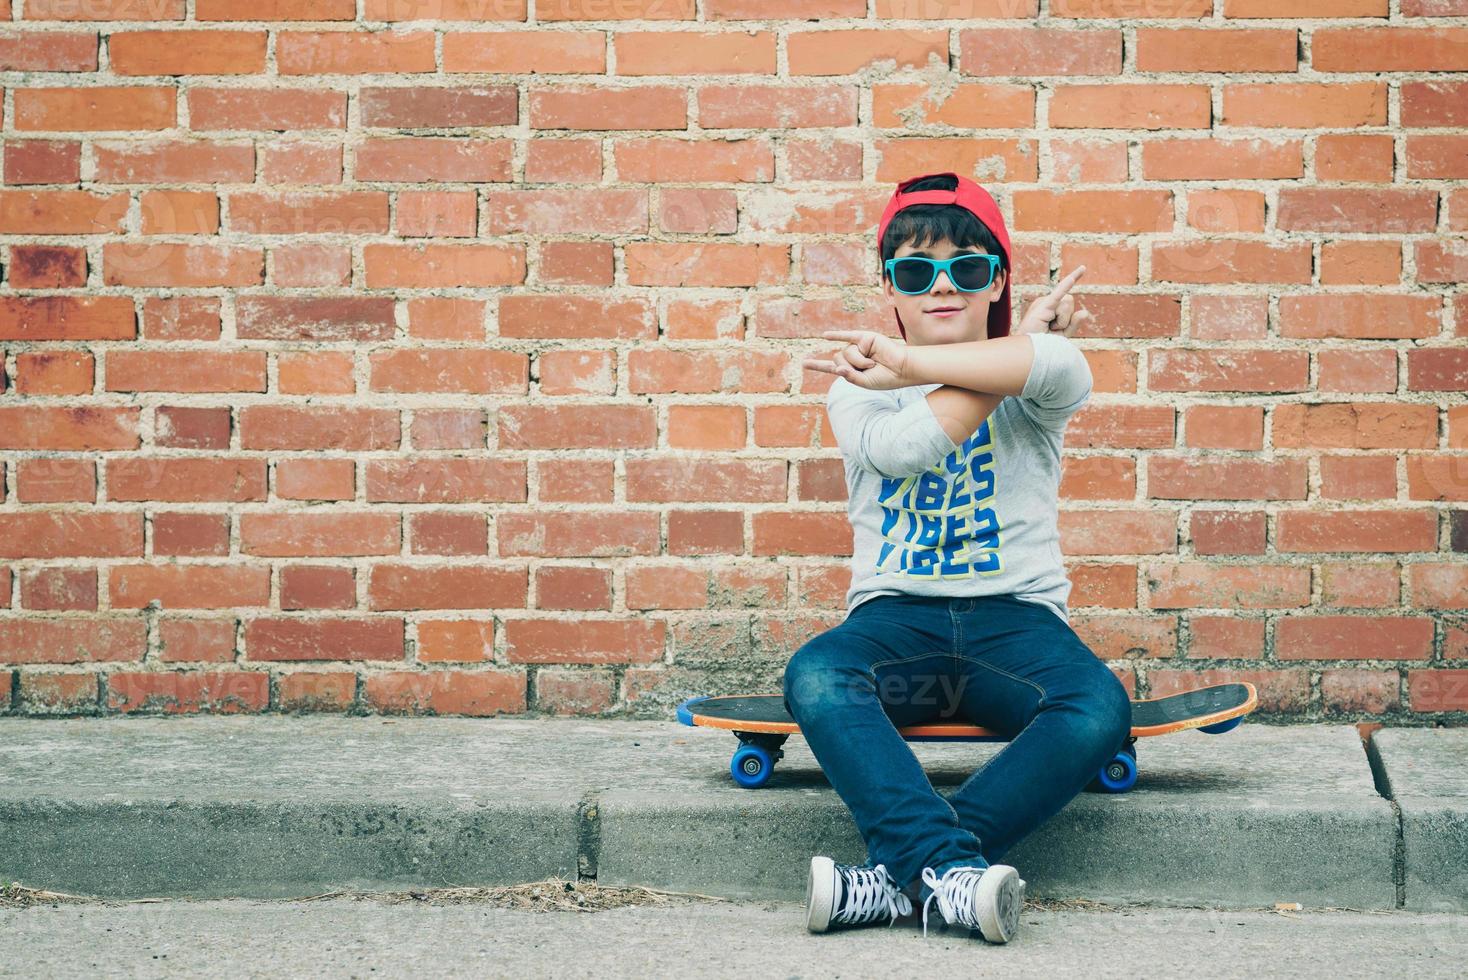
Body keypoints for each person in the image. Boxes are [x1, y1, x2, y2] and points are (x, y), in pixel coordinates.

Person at [789, 172, 1133, 944]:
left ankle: (900, 878)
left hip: (1015, 631)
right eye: (917, 271)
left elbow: (1061, 370)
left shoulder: (1041, 366)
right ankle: (947, 875)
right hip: (895, 630)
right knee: (817, 673)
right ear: (891, 286)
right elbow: (905, 447)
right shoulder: (857, 386)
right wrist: (1012, 352)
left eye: (966, 268)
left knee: (1098, 707)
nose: (942, 286)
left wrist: (932, 362)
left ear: (997, 279)